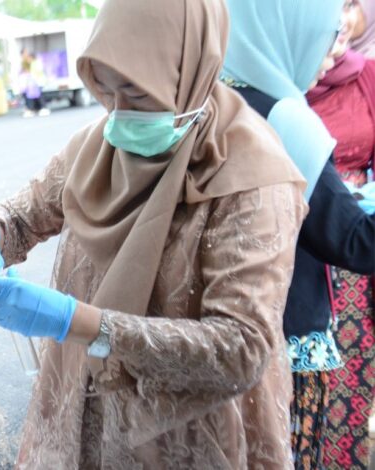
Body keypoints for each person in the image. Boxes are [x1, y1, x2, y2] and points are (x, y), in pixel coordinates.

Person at [0, 0, 307, 467]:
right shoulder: (99, 144)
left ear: (185, 68)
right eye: (104, 90)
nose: (117, 114)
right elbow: (28, 212)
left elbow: (240, 348)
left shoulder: (251, 178)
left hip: (190, 436)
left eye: (135, 93)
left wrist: (84, 323)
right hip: (83, 416)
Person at [221, 0, 375, 468]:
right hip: (282, 349)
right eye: (324, 37)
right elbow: (356, 242)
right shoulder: (286, 118)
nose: (330, 55)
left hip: (212, 341)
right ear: (288, 28)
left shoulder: (213, 101)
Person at [305, 2, 375, 468]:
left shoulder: (368, 75)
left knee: (355, 382)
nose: (344, 19)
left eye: (354, 3)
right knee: (310, 394)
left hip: (359, 258)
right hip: (305, 254)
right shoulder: (286, 79)